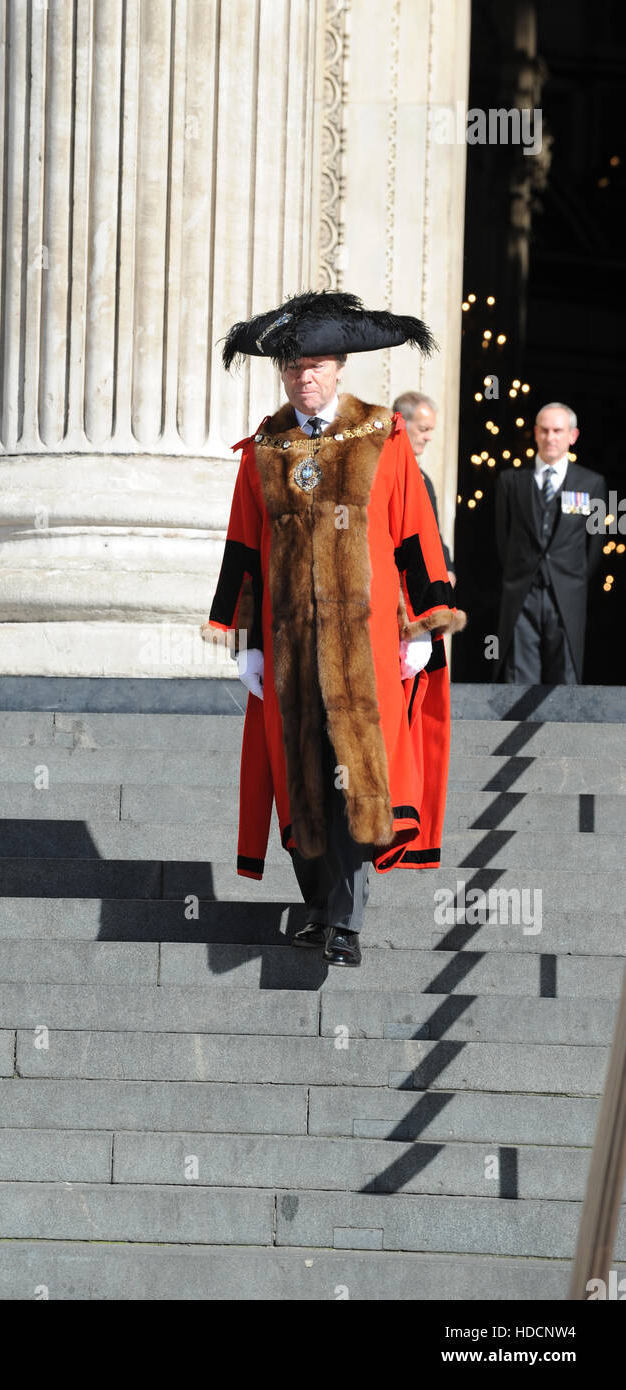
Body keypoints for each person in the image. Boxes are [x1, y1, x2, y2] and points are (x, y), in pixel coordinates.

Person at [207, 291, 465, 967]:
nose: (305, 377)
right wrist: (245, 641)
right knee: (301, 777)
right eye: (293, 367)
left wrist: (422, 627)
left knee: (354, 771)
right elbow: (242, 547)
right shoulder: (265, 447)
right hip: (287, 645)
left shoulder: (381, 435)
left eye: (316, 364)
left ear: (340, 368)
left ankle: (345, 924)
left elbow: (414, 535)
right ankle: (317, 907)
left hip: (367, 644)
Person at [495, 402, 605, 683]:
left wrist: (572, 577)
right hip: (522, 592)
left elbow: (595, 545)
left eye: (558, 430)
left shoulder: (592, 484)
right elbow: (502, 538)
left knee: (565, 677)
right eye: (544, 430)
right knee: (519, 674)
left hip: (567, 594)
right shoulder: (511, 481)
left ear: (573, 435)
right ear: (535, 433)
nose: (550, 437)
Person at [392, 391, 456, 585]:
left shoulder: (423, 478)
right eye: (423, 429)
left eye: (431, 430)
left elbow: (432, 531)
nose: (429, 437)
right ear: (401, 423)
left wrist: (447, 568)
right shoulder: (382, 471)